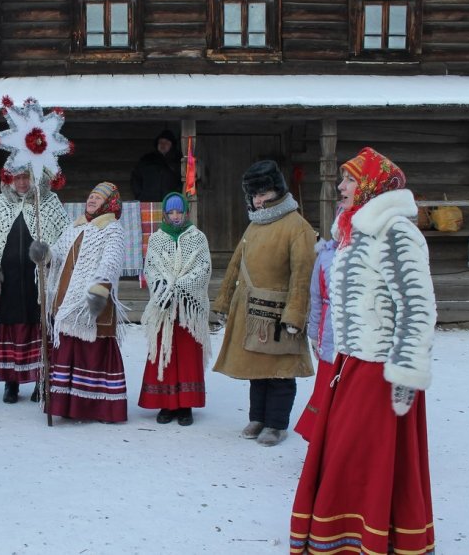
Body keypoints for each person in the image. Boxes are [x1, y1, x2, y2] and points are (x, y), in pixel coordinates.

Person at [290, 147, 436, 554]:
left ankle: (370, 540)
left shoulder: (396, 232)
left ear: (372, 185)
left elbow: (417, 306)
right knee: (346, 457)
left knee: (362, 461)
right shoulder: (354, 233)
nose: (341, 186)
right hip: (352, 364)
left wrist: (405, 374)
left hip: (382, 373)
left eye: (351, 179)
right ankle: (344, 540)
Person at [211, 160, 315, 447]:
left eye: (264, 194)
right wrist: (222, 302)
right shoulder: (255, 225)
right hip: (250, 311)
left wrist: (295, 315)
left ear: (278, 191)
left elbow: (302, 276)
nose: (258, 200)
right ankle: (257, 417)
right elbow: (235, 266)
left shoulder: (298, 227)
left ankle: (277, 424)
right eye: (254, 195)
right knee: (255, 370)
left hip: (280, 314)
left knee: (280, 372)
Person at [31, 181, 128, 423]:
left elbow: (112, 260)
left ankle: (100, 408)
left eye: (98, 198)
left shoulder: (112, 228)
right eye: (91, 196)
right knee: (68, 351)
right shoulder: (76, 227)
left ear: (109, 203)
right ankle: (65, 406)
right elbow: (59, 253)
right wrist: (46, 253)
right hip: (66, 302)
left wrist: (100, 288)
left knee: (93, 353)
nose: (92, 200)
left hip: (94, 301)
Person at [0, 169, 69, 404]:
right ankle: (12, 382)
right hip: (9, 280)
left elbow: (65, 237)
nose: (21, 183)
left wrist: (52, 260)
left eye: (26, 177)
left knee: (39, 326)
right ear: (8, 180)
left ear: (35, 178)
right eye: (16, 178)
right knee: (12, 327)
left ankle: (41, 382)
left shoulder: (49, 202)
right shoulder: (0, 203)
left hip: (39, 279)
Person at [138, 192, 212, 426]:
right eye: (171, 212)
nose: (175, 216)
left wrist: (180, 287)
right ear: (165, 214)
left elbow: (203, 268)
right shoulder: (157, 239)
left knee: (188, 354)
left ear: (186, 212)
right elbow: (151, 268)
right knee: (163, 352)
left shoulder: (197, 237)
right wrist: (162, 287)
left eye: (179, 211)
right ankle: (166, 404)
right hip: (165, 306)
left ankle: (186, 405)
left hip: (188, 307)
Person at [292, 236, 338, 442]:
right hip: (329, 332)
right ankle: (319, 435)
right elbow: (316, 296)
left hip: (359, 339)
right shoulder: (326, 254)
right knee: (326, 385)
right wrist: (313, 332)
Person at [130, 129, 183, 202]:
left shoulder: (179, 160)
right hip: (148, 202)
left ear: (172, 145)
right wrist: (140, 196)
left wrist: (177, 195)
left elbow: (184, 181)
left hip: (171, 203)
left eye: (166, 143)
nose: (163, 145)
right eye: (160, 142)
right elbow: (135, 178)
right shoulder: (146, 159)